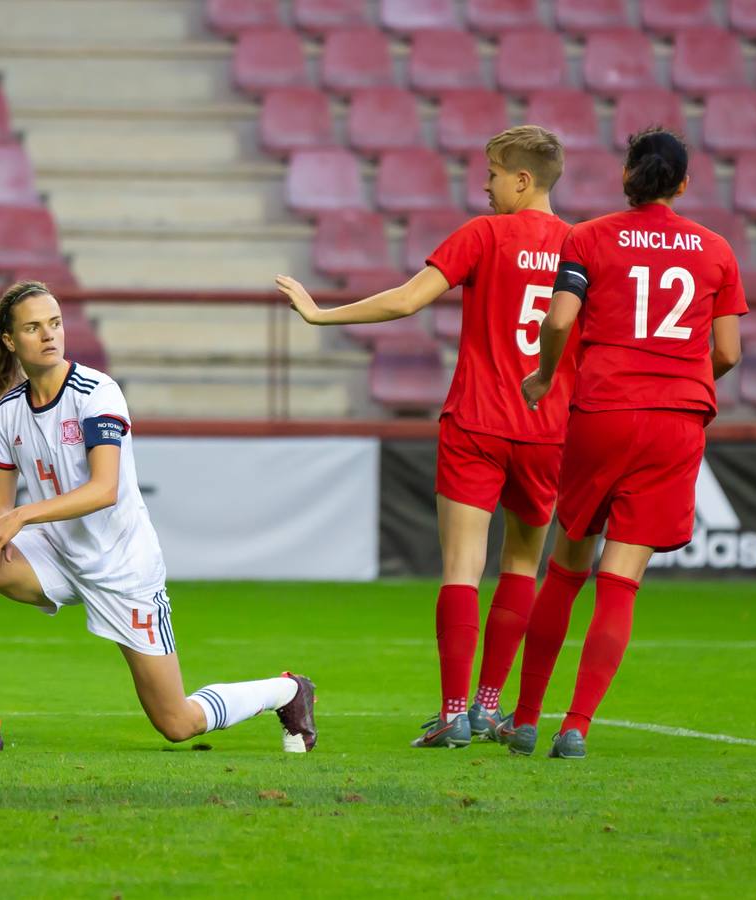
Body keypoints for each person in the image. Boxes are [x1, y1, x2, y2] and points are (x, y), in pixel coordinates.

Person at [273, 126, 576, 748]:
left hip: (477, 421)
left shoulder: (484, 234)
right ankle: (492, 708)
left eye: (492, 174)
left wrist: (321, 313)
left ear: (522, 179)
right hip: (547, 427)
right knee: (523, 564)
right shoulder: (583, 246)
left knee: (463, 568)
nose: (485, 186)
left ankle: (455, 713)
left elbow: (409, 301)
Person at [0, 281, 317, 754]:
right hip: (55, 554)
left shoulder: (98, 392)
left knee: (177, 723)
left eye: (54, 323)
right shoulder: (10, 410)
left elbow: (103, 489)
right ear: (11, 341)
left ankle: (288, 690)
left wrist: (19, 518)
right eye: (33, 328)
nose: (49, 335)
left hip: (122, 566)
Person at [512, 128, 746, 759]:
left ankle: (526, 719)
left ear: (626, 177)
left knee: (566, 569)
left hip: (605, 410)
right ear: (684, 184)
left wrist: (543, 373)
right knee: (621, 583)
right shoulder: (717, 250)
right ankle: (577, 728)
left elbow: (560, 318)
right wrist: (683, 381)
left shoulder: (587, 237)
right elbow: (727, 352)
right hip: (676, 421)